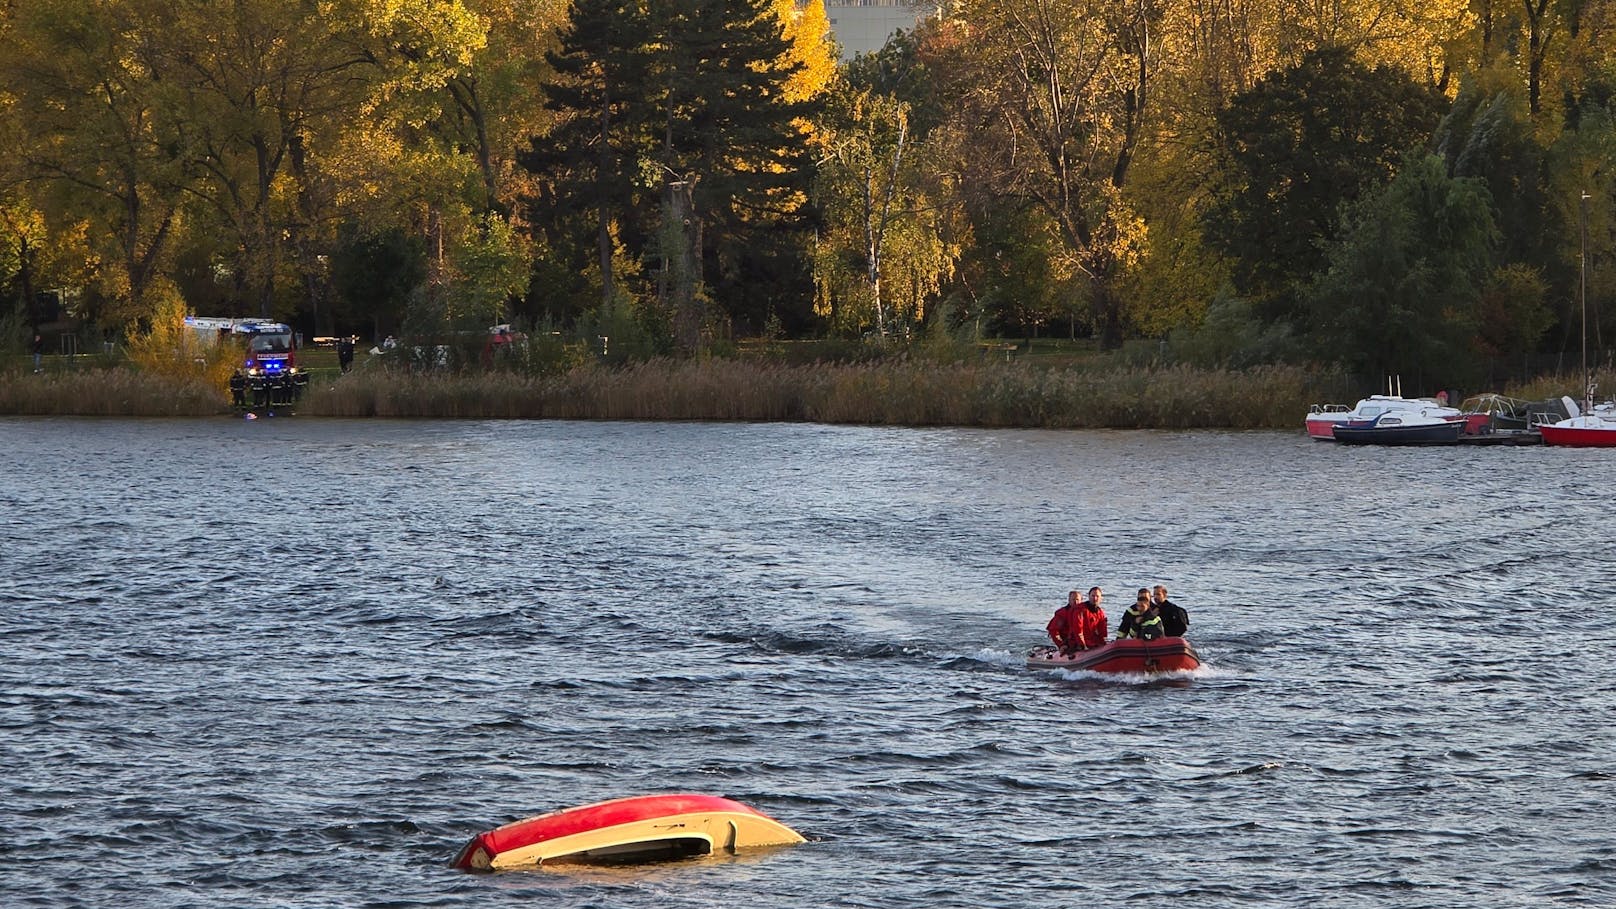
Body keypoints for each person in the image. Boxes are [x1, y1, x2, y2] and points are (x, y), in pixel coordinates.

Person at [1046, 587, 1107, 654]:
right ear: (1069, 600)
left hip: (1088, 642)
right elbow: (1054, 630)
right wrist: (1061, 645)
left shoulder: (1099, 613)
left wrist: (1104, 644)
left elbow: (1102, 632)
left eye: (1077, 600)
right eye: (1073, 600)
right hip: (1071, 642)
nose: (1075, 602)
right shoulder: (1064, 613)